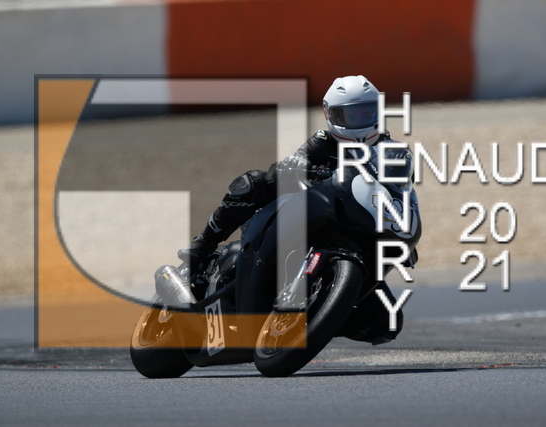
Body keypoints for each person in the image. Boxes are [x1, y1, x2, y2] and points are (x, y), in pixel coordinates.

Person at [178, 75, 420, 344]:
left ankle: (315, 318)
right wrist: (293, 166)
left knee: (385, 322)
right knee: (252, 183)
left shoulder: (392, 153)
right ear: (330, 114)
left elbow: (400, 192)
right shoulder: (322, 142)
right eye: (350, 115)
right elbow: (293, 162)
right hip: (305, 221)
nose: (359, 121)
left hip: (354, 231)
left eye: (366, 113)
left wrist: (401, 229)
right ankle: (201, 247)